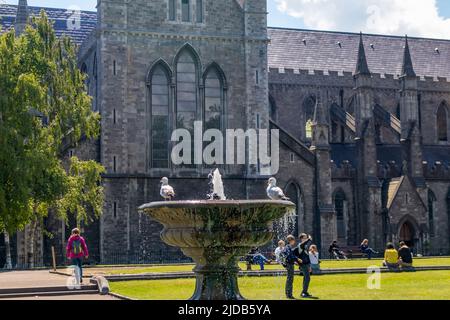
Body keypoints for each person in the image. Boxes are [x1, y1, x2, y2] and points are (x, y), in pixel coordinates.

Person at [283, 235, 301, 299]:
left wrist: (294, 261)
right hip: (289, 265)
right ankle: (289, 295)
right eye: (294, 240)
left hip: (289, 264)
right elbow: (290, 255)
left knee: (289, 279)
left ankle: (288, 293)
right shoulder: (288, 247)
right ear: (291, 240)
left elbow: (288, 256)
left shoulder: (287, 247)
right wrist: (297, 259)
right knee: (290, 279)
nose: (294, 242)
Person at [297, 233, 313, 298]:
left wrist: (310, 266)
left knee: (305, 278)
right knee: (307, 278)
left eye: (306, 237)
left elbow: (307, 256)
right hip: (303, 265)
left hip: (306, 264)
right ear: (301, 238)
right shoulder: (300, 245)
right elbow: (306, 242)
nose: (306, 239)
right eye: (305, 237)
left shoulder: (305, 246)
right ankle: (304, 292)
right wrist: (309, 239)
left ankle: (304, 292)